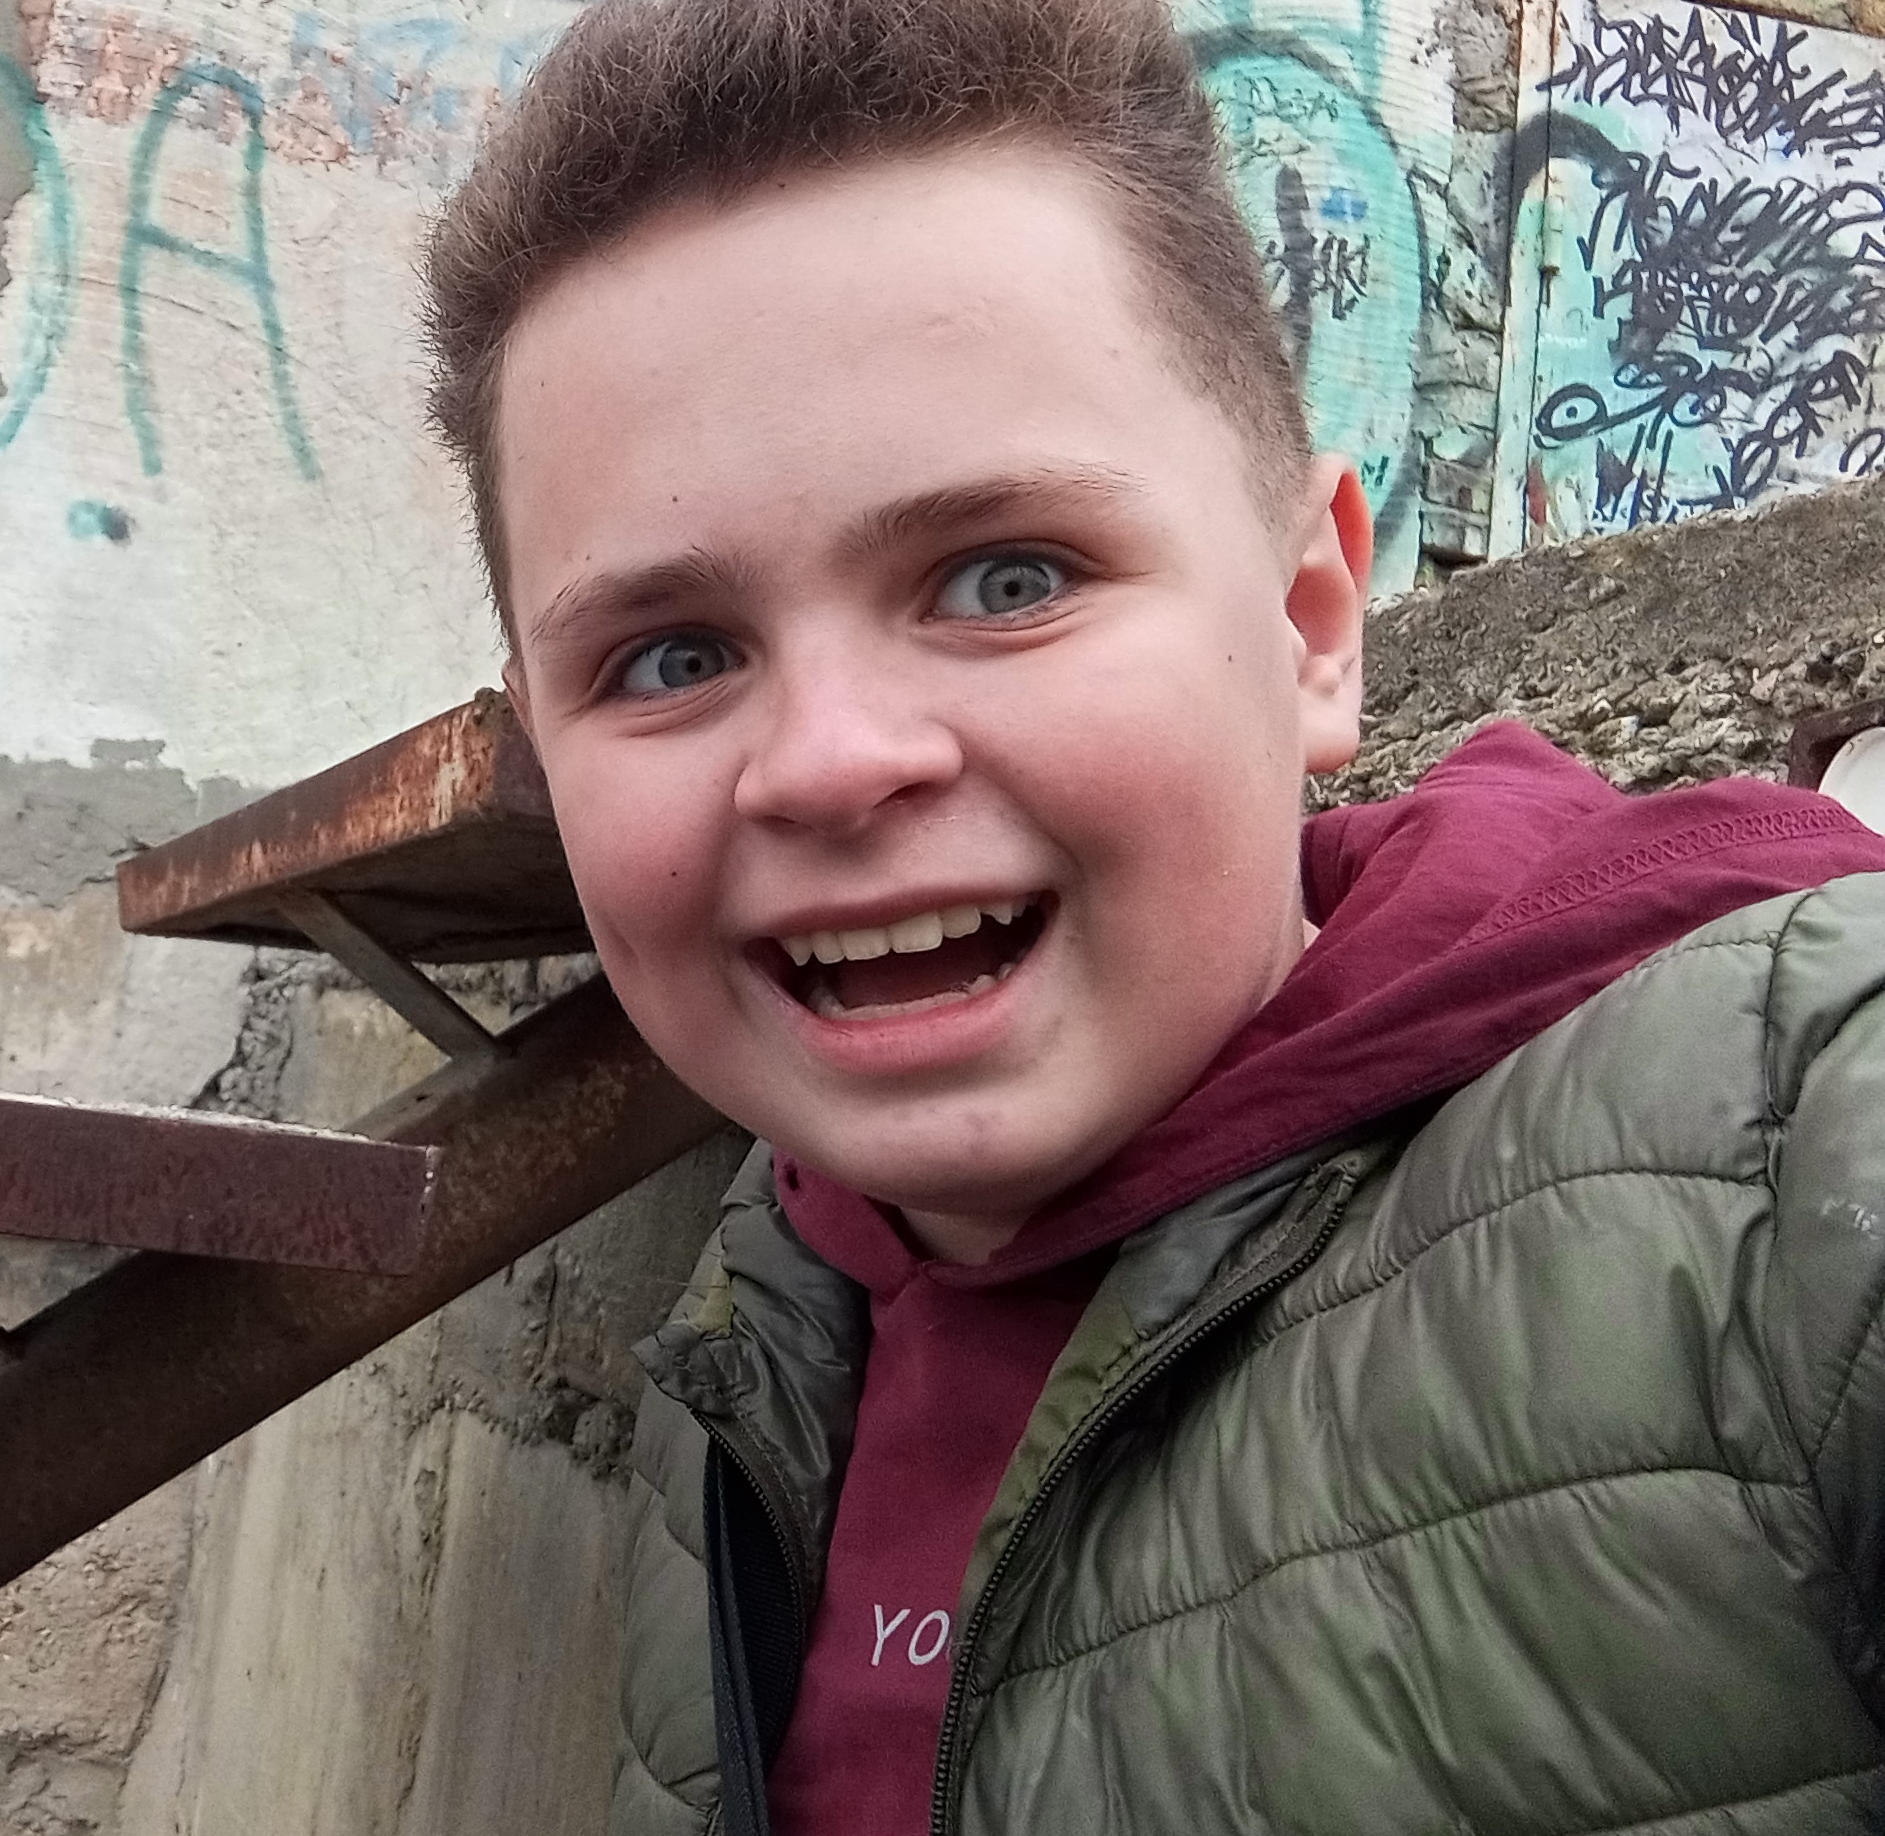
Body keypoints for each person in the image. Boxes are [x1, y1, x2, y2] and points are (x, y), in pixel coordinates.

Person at [419, 0, 1885, 1830]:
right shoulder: (757, 1339)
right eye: (670, 657)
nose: (831, 763)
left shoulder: (1794, 1162)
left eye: (1005, 577)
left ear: (1312, 624)